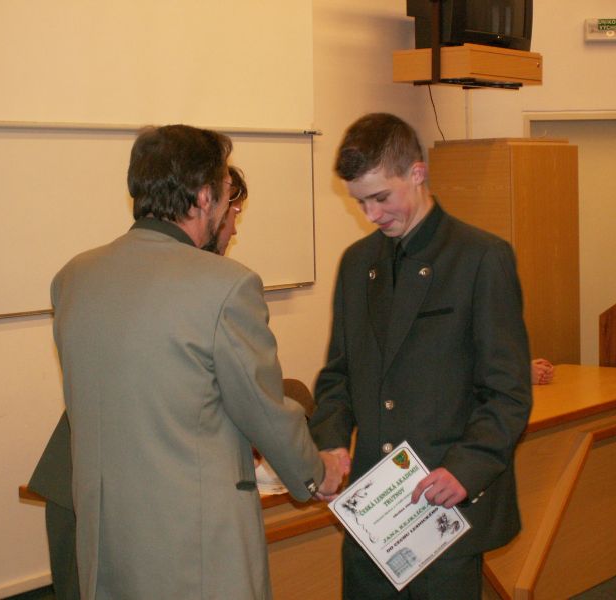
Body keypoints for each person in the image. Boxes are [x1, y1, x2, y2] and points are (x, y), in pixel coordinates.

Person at [50, 124, 346, 599]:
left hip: (106, 544)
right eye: (228, 194)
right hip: (194, 551)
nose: (229, 209)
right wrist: (317, 471)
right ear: (205, 197)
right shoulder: (226, 286)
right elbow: (264, 411)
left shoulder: (74, 278)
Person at [308, 113, 532, 599]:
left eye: (380, 197)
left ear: (417, 172)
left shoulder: (480, 257)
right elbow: (338, 375)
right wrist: (331, 441)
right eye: (360, 202)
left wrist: (467, 468)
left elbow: (508, 392)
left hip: (444, 502)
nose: (371, 214)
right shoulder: (357, 263)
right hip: (373, 510)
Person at [28, 163, 252, 600]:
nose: (235, 228)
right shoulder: (195, 282)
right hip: (92, 490)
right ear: (207, 205)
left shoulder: (198, 280)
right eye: (233, 210)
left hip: (112, 489)